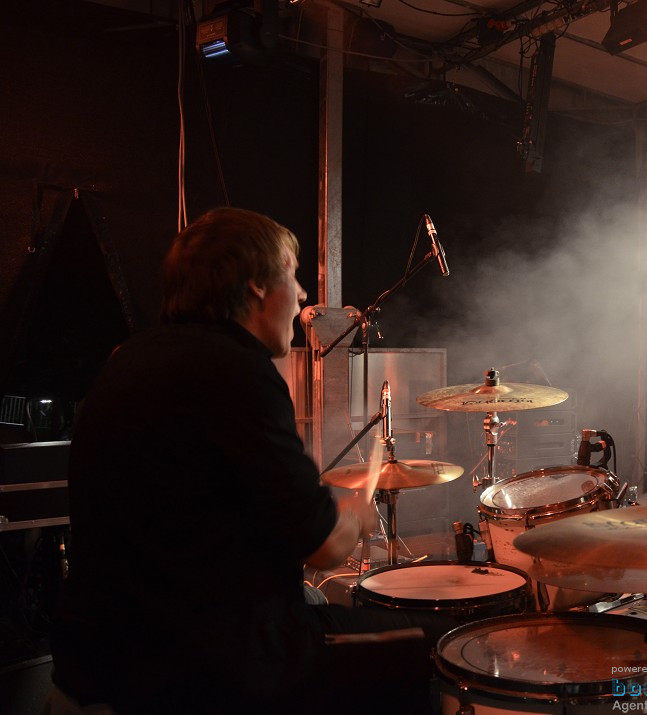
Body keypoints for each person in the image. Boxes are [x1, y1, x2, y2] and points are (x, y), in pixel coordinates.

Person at [50, 208, 450, 714]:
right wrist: (353, 512)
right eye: (293, 274)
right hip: (197, 668)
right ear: (258, 285)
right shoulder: (236, 371)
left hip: (99, 658)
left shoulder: (129, 359)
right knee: (444, 644)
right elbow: (325, 548)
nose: (303, 295)